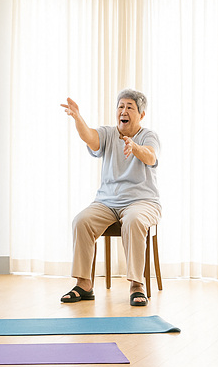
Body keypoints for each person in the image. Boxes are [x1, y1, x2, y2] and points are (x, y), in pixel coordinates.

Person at [60, 89, 160, 307]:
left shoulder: (148, 136)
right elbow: (90, 137)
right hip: (107, 202)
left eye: (129, 107)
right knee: (81, 221)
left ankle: (136, 285)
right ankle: (84, 284)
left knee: (134, 221)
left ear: (141, 115)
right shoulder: (107, 134)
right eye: (121, 106)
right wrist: (78, 118)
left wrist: (134, 147)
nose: (123, 111)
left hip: (142, 202)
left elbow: (151, 156)